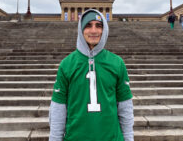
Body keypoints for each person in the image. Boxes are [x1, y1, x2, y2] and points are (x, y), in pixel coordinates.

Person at [49, 9, 134, 141]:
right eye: (88, 25)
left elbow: (125, 108)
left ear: (104, 29)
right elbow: (58, 111)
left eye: (98, 26)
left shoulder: (117, 63)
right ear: (81, 29)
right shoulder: (66, 65)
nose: (94, 31)